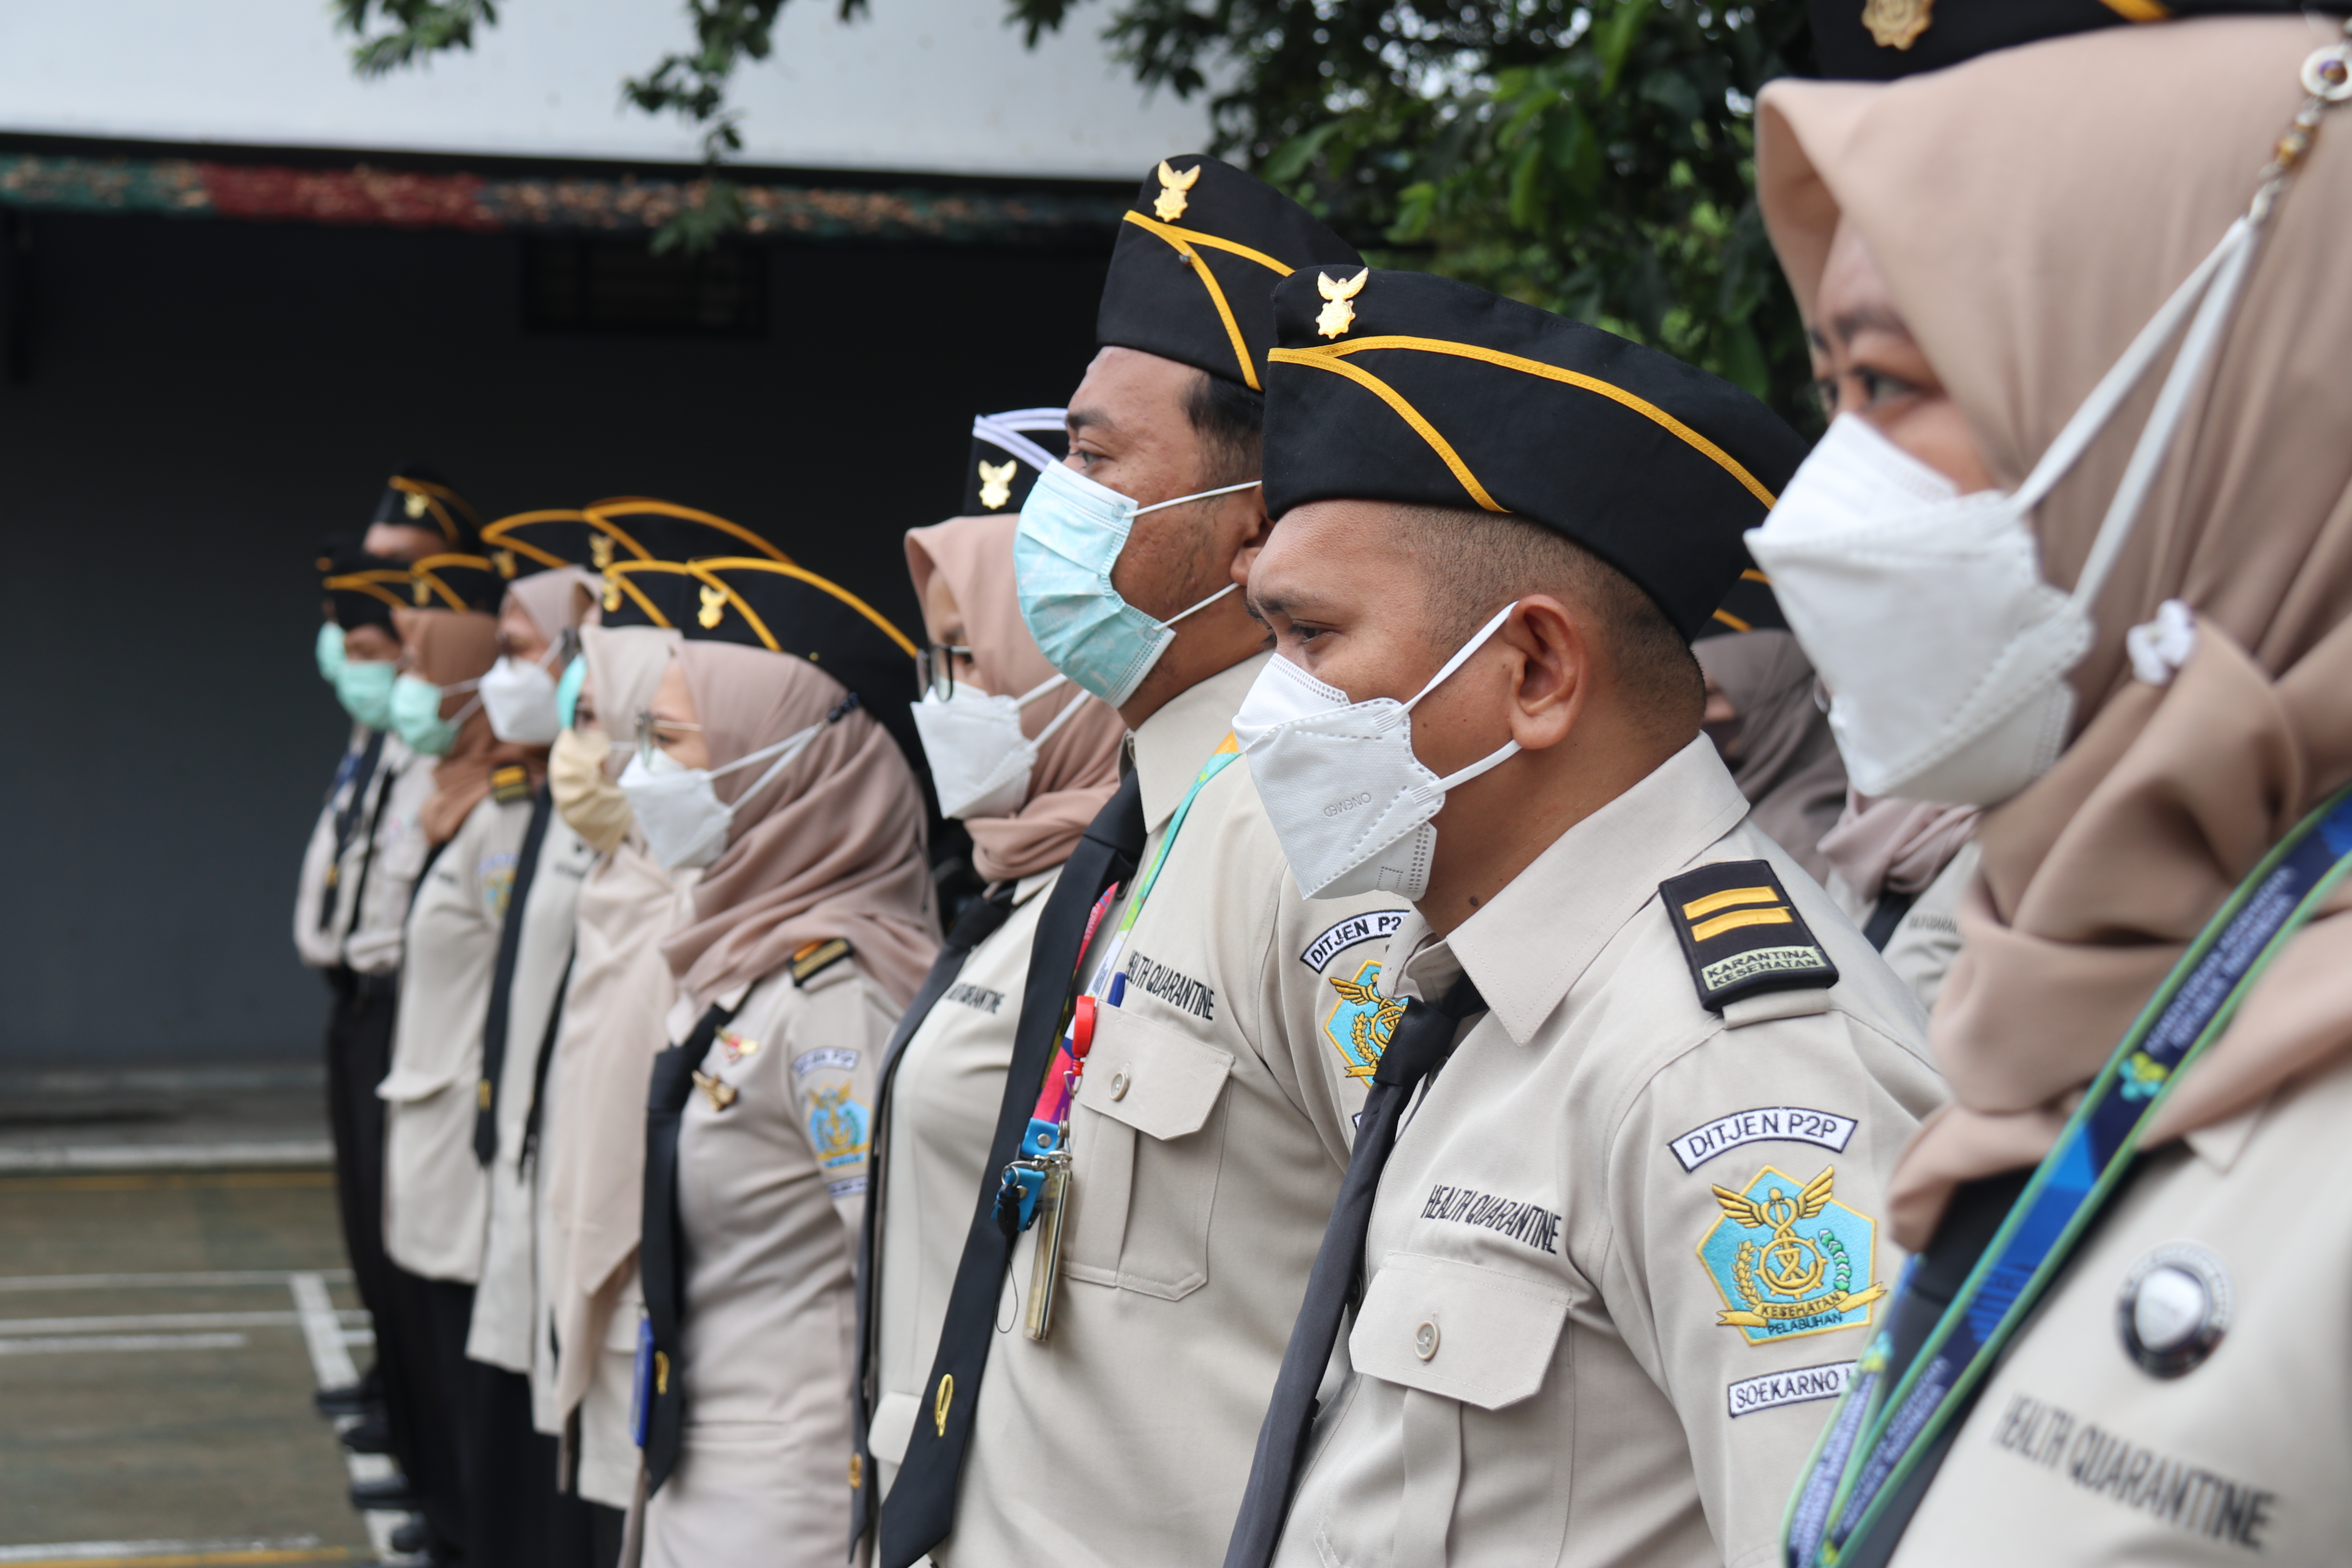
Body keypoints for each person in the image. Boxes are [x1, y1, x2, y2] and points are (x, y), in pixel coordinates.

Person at [1220, 265, 1944, 1568]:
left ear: (1539, 671)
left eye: (1312, 638)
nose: (1262, 711)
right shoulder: (1496, 1002)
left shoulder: (1725, 1061)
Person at [1751, 8, 2352, 1564]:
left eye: (1888, 386)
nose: (1826, 494)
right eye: (1829, 388)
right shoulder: (2066, 978)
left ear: (2232, 416)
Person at [882, 154, 1418, 1568]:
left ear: (1249, 521)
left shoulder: (1310, 826)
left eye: (1097, 460)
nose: (1053, 503)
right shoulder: (1141, 818)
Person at [626, 557, 938, 1565]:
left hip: (792, 1497)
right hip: (707, 1467)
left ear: (784, 770)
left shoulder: (835, 996)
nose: (640, 776)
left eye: (668, 745)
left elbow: (900, 1277)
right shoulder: (745, 955)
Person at [852, 503, 1124, 1537]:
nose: (944, 693)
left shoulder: (1124, 890)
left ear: (1069, 669)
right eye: (937, 659)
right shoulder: (1009, 879)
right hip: (930, 1462)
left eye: (970, 655)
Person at [377, 549, 566, 1562]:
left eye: (517, 654)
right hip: (447, 1105)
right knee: (445, 1348)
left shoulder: (524, 815)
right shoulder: (474, 799)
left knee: (477, 1372)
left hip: (479, 1122)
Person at [295, 537, 432, 1477]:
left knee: (405, 1227)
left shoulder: (431, 754)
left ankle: (413, 1410)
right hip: (357, 998)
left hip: (401, 1002)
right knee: (367, 1217)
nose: (348, 660)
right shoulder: (374, 746)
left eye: (369, 643)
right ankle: (397, 1388)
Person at [1693, 575, 1849, 882]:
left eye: (1710, 696)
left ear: (1785, 699)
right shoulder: (1727, 806)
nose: (1697, 717)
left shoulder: (1813, 847)